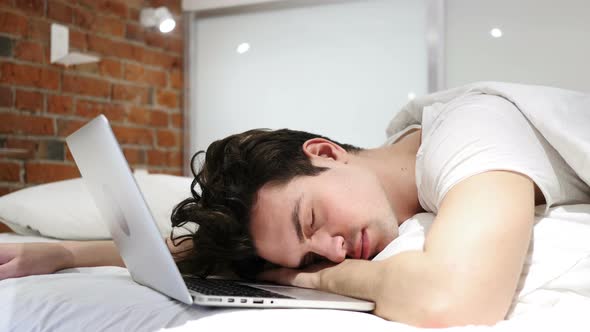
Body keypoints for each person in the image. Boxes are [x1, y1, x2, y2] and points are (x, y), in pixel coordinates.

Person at [1, 83, 589, 328]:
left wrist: (321, 282)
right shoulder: (393, 169)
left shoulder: (471, 134)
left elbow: (455, 301)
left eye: (310, 221)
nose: (332, 250)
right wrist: (67, 251)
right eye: (311, 257)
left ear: (326, 152)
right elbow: (216, 252)